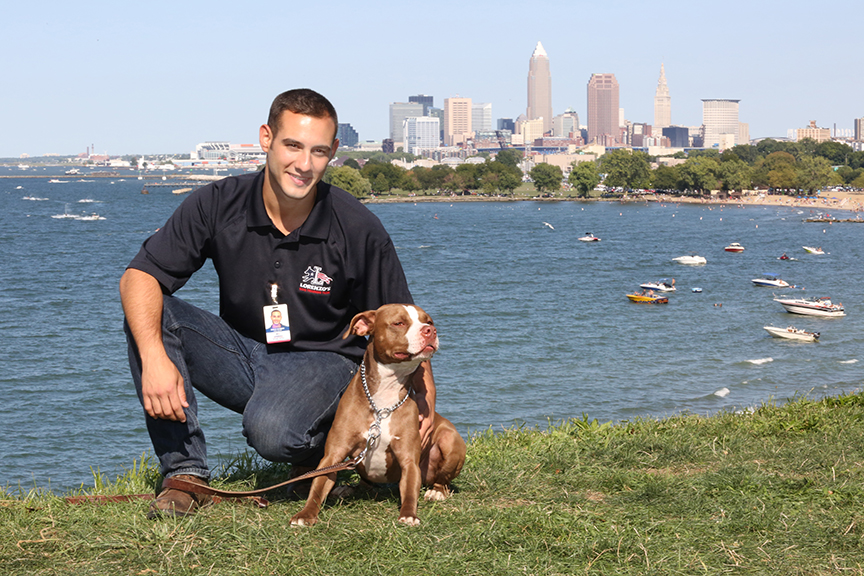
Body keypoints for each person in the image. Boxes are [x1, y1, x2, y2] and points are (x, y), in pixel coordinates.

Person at [120, 88, 436, 519]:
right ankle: (185, 475)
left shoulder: (358, 226)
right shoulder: (217, 203)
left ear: (334, 153)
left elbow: (403, 317)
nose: (304, 164)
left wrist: (424, 396)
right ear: (266, 138)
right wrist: (154, 357)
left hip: (327, 362)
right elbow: (139, 276)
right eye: (293, 145)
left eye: (319, 151)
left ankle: (324, 452)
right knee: (153, 315)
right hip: (244, 352)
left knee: (272, 432)